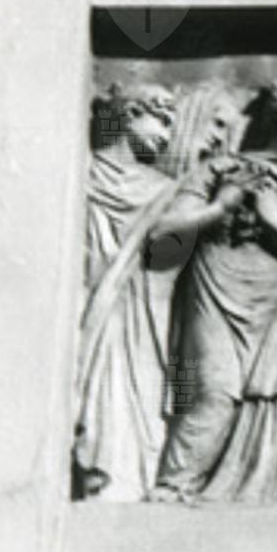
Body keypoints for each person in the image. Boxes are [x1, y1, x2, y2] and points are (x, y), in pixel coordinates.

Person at [154, 83, 277, 503]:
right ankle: (172, 487)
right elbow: (164, 230)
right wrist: (221, 207)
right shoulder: (221, 168)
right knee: (215, 394)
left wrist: (275, 220)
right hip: (218, 284)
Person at [74, 83, 205, 501]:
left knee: (135, 400)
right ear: (130, 114)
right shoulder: (84, 172)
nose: (166, 136)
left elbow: (169, 251)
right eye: (161, 121)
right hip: (90, 305)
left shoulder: (162, 188)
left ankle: (122, 484)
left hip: (143, 312)